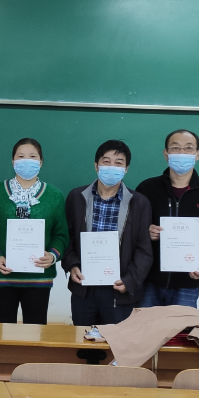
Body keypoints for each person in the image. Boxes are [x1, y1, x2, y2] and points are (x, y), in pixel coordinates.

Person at [62, 139, 153, 325]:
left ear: (126, 169)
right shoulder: (76, 197)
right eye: (106, 161)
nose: (112, 167)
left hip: (119, 290)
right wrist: (72, 265)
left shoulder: (139, 202)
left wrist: (130, 281)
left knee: (118, 341)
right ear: (96, 165)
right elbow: (67, 239)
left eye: (118, 163)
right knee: (82, 339)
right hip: (84, 289)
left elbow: (144, 250)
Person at [136, 129, 199, 308]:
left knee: (182, 326)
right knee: (147, 326)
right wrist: (146, 232)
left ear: (197, 154)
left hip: (188, 281)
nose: (182, 153)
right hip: (148, 280)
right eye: (175, 148)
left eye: (188, 148)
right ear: (166, 153)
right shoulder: (147, 188)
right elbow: (132, 231)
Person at [0, 138, 68, 324]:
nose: (26, 161)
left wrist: (52, 256)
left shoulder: (55, 195)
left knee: (35, 332)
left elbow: (61, 235)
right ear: (13, 161)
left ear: (41, 162)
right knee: (2, 332)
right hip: (2, 276)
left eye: (32, 157)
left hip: (39, 278)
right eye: (21, 157)